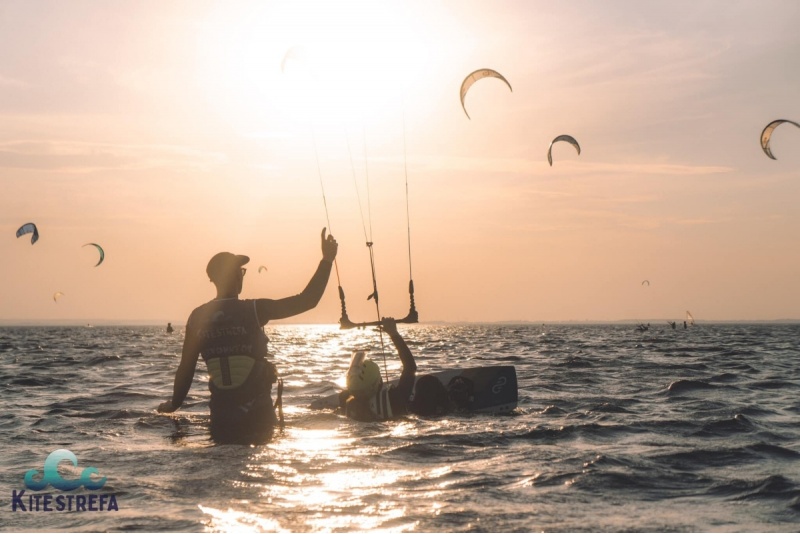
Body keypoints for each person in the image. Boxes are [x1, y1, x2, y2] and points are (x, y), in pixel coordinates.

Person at [157, 228, 338, 445]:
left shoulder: (197, 317)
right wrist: (327, 260)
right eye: (241, 271)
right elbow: (308, 300)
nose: (242, 276)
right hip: (257, 417)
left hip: (221, 420)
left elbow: (186, 368)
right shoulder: (253, 310)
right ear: (233, 276)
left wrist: (173, 405)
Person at [339, 318, 417, 422]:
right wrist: (393, 333)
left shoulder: (345, 402)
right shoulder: (394, 399)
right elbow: (410, 366)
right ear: (378, 383)